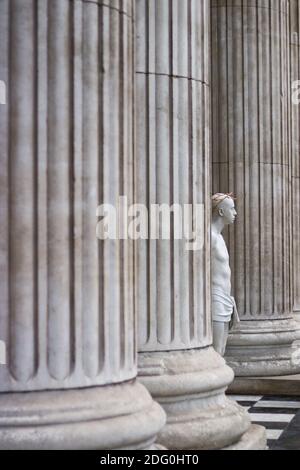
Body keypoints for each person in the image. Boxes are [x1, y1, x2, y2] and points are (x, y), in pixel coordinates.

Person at [211, 193, 239, 356]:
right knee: (216, 353)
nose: (235, 213)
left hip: (224, 298)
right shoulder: (210, 236)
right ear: (221, 212)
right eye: (232, 209)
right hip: (215, 299)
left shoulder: (219, 236)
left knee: (221, 351)